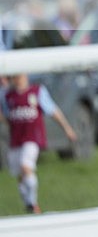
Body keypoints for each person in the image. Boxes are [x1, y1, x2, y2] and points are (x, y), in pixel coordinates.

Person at [0, 73, 77, 214]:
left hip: (32, 138)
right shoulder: (7, 96)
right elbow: (5, 116)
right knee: (20, 174)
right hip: (16, 139)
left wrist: (67, 128)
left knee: (25, 165)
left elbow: (53, 111)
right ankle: (28, 204)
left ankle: (33, 203)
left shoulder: (37, 92)